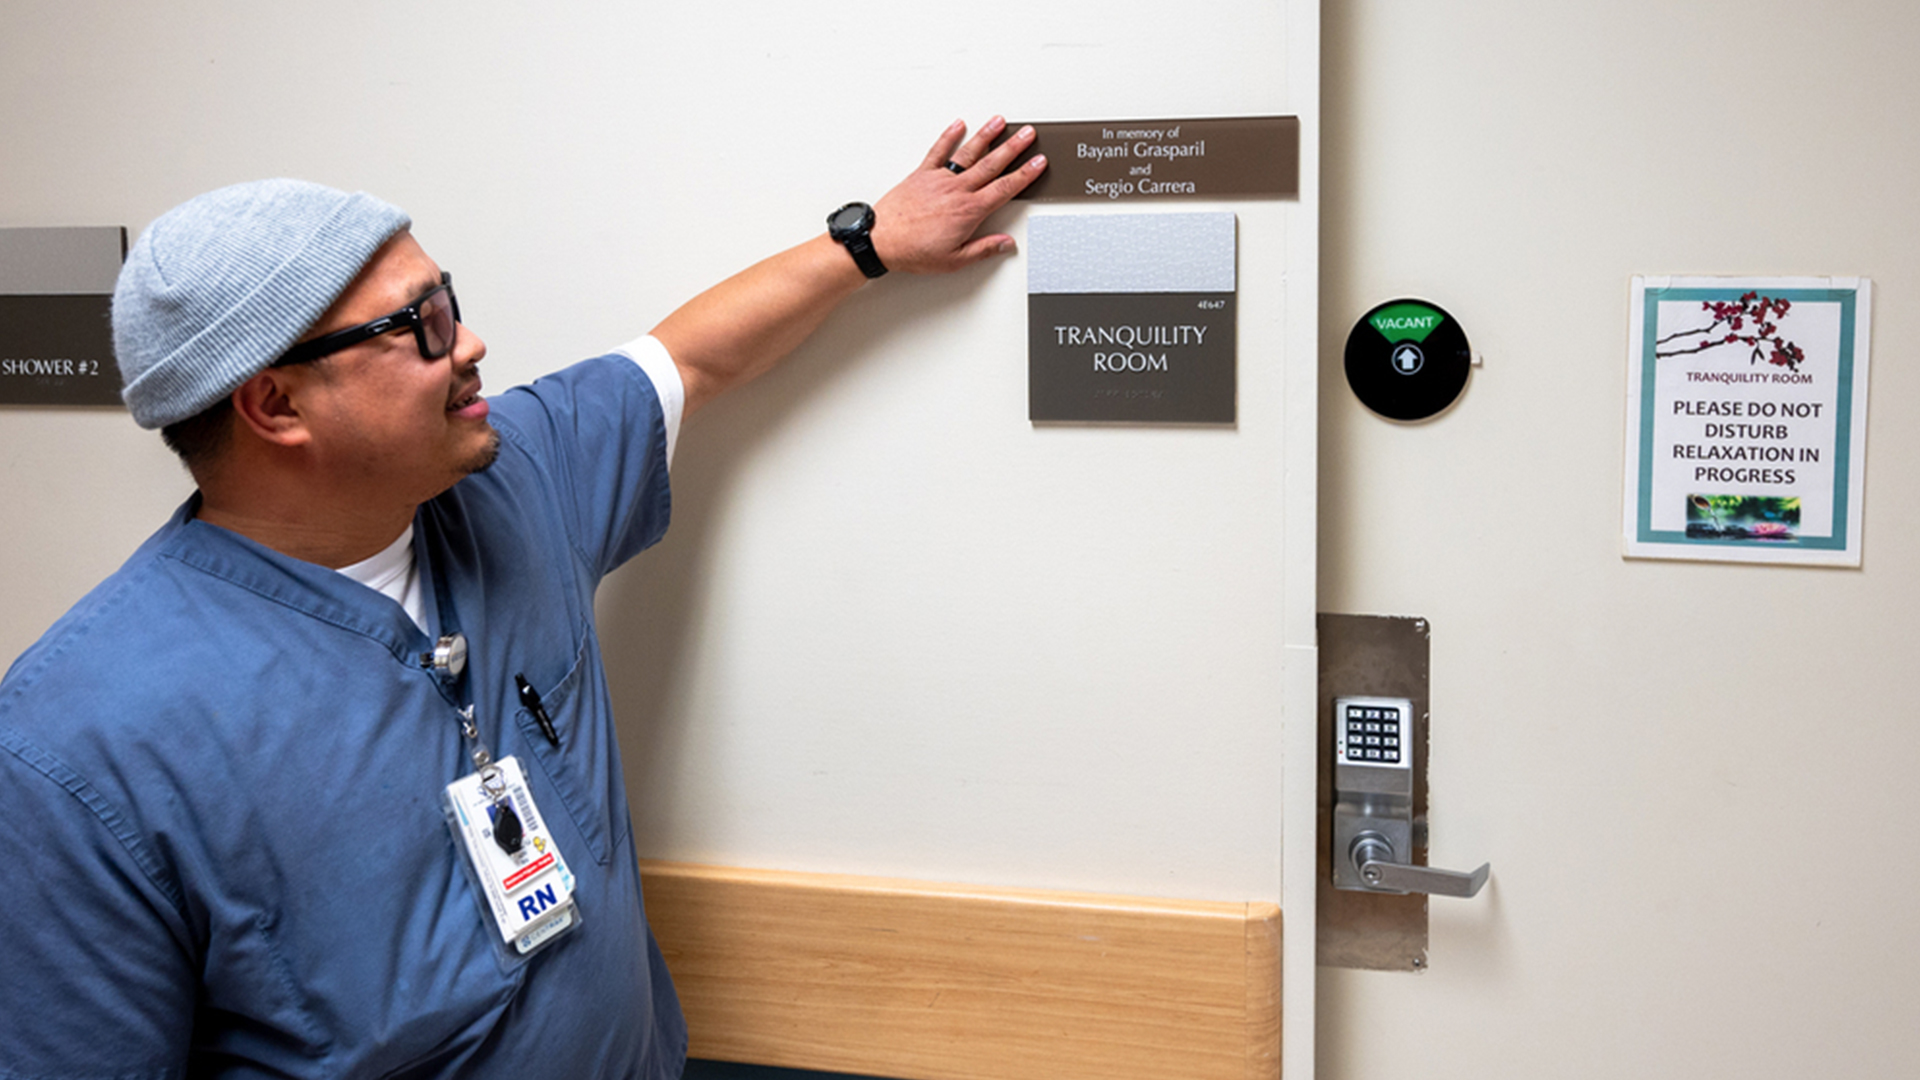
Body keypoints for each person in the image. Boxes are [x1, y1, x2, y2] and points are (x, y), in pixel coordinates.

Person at [0, 118, 1044, 1079]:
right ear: (275, 404)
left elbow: (681, 360)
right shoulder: (79, 746)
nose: (471, 344)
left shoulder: (512, 484)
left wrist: (869, 244)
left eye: (447, 295)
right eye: (421, 324)